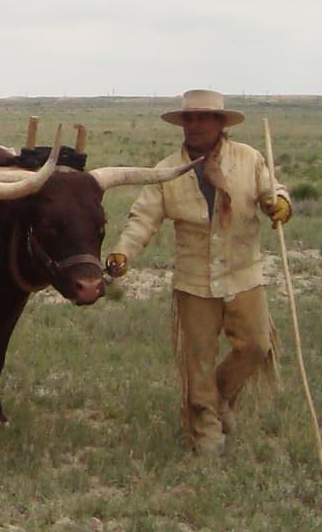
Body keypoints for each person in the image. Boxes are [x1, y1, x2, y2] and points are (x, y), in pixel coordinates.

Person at [104, 90, 292, 455]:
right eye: (188, 119)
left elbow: (271, 189)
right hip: (194, 280)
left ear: (220, 123)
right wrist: (123, 252)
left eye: (203, 118)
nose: (194, 126)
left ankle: (217, 399)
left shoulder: (248, 159)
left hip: (243, 273)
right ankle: (205, 427)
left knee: (257, 345)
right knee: (198, 358)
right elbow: (143, 218)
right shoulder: (167, 170)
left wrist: (279, 202)